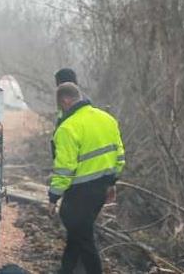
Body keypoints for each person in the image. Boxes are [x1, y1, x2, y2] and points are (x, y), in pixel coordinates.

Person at [48, 82, 126, 274]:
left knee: (83, 238)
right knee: (77, 234)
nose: (60, 110)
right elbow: (120, 156)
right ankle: (65, 271)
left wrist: (53, 196)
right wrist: (111, 183)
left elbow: (65, 168)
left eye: (60, 105)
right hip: (101, 190)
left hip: (80, 192)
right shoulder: (107, 119)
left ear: (65, 100)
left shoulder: (67, 128)